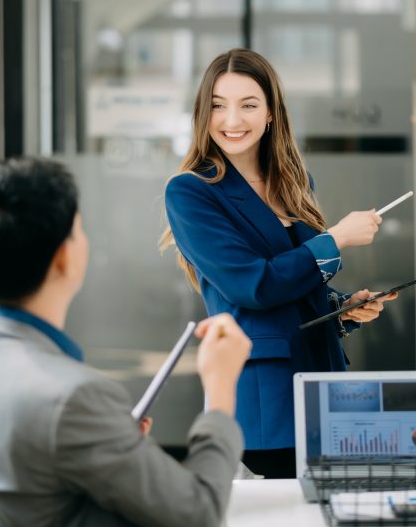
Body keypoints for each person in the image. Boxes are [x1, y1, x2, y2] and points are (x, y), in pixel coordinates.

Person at [0, 157, 252, 527]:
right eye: (78, 229)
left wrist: (110, 438)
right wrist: (220, 397)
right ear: (66, 257)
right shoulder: (74, 398)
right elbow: (200, 512)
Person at [160, 48, 397, 479]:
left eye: (248, 105)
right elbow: (254, 286)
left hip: (327, 388)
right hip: (267, 397)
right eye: (218, 105)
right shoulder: (191, 192)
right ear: (202, 114)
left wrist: (343, 309)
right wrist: (337, 239)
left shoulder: (294, 182)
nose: (232, 120)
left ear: (270, 113)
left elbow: (297, 289)